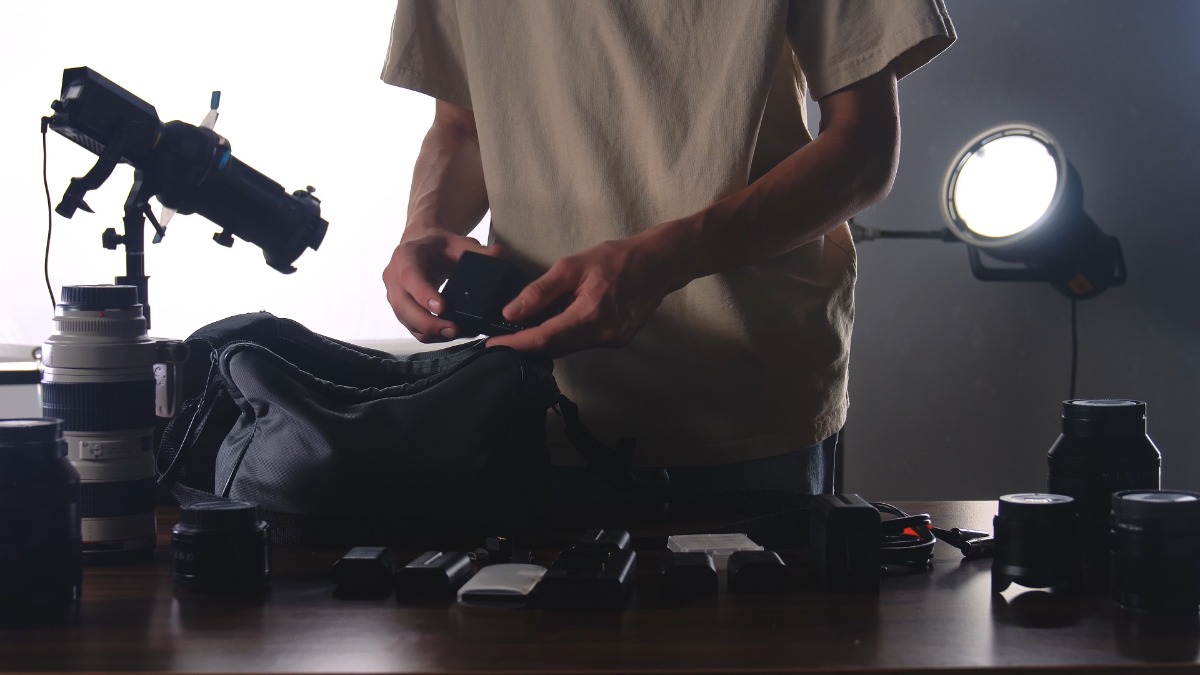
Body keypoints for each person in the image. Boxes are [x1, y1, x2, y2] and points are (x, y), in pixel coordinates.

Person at [380, 1, 955, 502]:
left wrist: (667, 258)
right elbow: (463, 124)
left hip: (741, 399)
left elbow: (864, 145)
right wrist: (423, 230)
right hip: (527, 397)